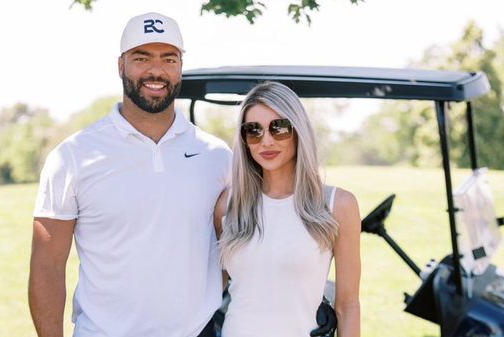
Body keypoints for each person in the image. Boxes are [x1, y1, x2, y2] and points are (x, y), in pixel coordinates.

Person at [28, 12, 335, 337]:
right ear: (121, 65)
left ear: (180, 67)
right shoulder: (73, 156)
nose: (156, 70)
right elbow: (47, 266)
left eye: (168, 58)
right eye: (142, 57)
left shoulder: (217, 157)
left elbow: (250, 250)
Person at [215, 81, 361, 337]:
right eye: (253, 131)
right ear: (244, 140)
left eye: (279, 128)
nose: (266, 141)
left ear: (298, 130)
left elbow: (347, 306)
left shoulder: (338, 205)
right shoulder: (227, 205)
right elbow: (211, 291)